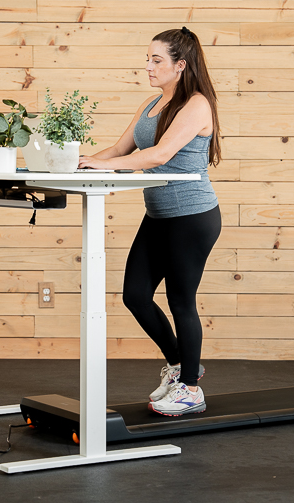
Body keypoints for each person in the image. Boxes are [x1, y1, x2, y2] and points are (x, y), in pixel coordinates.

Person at [78, 27, 222, 416]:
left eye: (156, 60)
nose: (148, 66)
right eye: (147, 58)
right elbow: (120, 151)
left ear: (180, 65)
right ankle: (179, 366)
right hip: (159, 216)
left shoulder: (196, 106)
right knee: (135, 296)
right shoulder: (152, 104)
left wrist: (104, 165)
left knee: (180, 301)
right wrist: (79, 163)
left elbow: (158, 156)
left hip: (192, 218)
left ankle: (191, 389)